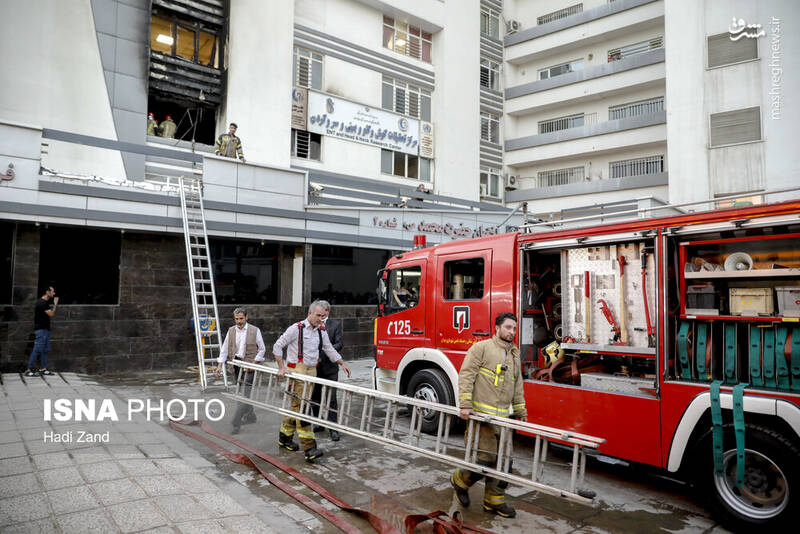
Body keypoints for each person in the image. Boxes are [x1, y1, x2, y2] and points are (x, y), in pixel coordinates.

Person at [450, 312, 527, 519]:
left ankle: (494, 502)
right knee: (484, 461)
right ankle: (460, 481)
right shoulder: (481, 348)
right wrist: (465, 405)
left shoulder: (514, 354)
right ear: (497, 328)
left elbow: (517, 384)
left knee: (504, 463)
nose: (512, 332)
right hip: (481, 419)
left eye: (514, 328)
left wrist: (520, 410)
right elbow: (466, 376)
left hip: (503, 420)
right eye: (508, 327)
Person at [273, 300, 351, 462]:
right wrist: (281, 367)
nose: (321, 319)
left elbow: (329, 348)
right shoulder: (296, 329)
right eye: (318, 315)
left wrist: (341, 363)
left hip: (311, 371)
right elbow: (277, 346)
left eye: (323, 316)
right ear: (309, 313)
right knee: (303, 410)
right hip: (297, 371)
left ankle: (284, 438)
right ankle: (309, 448)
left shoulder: (321, 330)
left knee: (296, 407)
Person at [215, 307, 266, 434]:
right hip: (237, 364)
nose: (239, 321)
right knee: (240, 390)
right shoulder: (231, 331)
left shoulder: (255, 330)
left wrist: (254, 364)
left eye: (241, 318)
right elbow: (225, 349)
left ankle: (236, 423)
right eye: (237, 319)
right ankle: (251, 416)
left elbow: (262, 349)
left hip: (250, 365)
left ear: (246, 317)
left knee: (244, 394)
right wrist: (219, 366)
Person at [310, 301, 344, 441]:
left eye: (323, 314)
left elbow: (339, 343)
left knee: (331, 399)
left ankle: (333, 428)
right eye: (318, 313)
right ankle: (319, 422)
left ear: (328, 312)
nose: (320, 316)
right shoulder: (312, 324)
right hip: (315, 368)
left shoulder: (335, 325)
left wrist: (326, 350)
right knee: (315, 397)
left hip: (330, 368)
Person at [25, 286, 58, 377]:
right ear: (47, 292)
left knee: (45, 350)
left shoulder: (45, 302)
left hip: (46, 330)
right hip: (41, 330)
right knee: (37, 350)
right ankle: (28, 370)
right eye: (52, 291)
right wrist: (55, 304)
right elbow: (51, 314)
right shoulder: (42, 303)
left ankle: (43, 369)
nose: (54, 293)